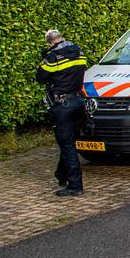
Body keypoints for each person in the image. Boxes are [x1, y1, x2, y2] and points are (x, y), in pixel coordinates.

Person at [36, 29, 88, 196]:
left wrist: (46, 56)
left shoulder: (52, 58)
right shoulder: (79, 52)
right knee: (70, 142)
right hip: (79, 102)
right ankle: (62, 174)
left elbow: (40, 77)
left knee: (67, 145)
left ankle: (75, 186)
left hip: (63, 105)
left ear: (50, 42)